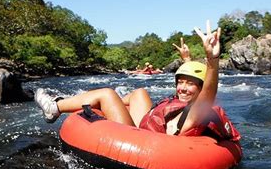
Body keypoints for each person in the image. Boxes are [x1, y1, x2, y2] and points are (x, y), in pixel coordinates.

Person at [35, 20, 239, 139]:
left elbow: (209, 90)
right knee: (140, 92)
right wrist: (187, 60)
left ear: (202, 89)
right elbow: (197, 79)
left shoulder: (198, 111)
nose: (182, 88)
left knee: (107, 94)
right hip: (147, 129)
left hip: (146, 142)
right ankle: (90, 101)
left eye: (190, 84)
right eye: (180, 82)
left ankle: (56, 107)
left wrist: (212, 59)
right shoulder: (187, 101)